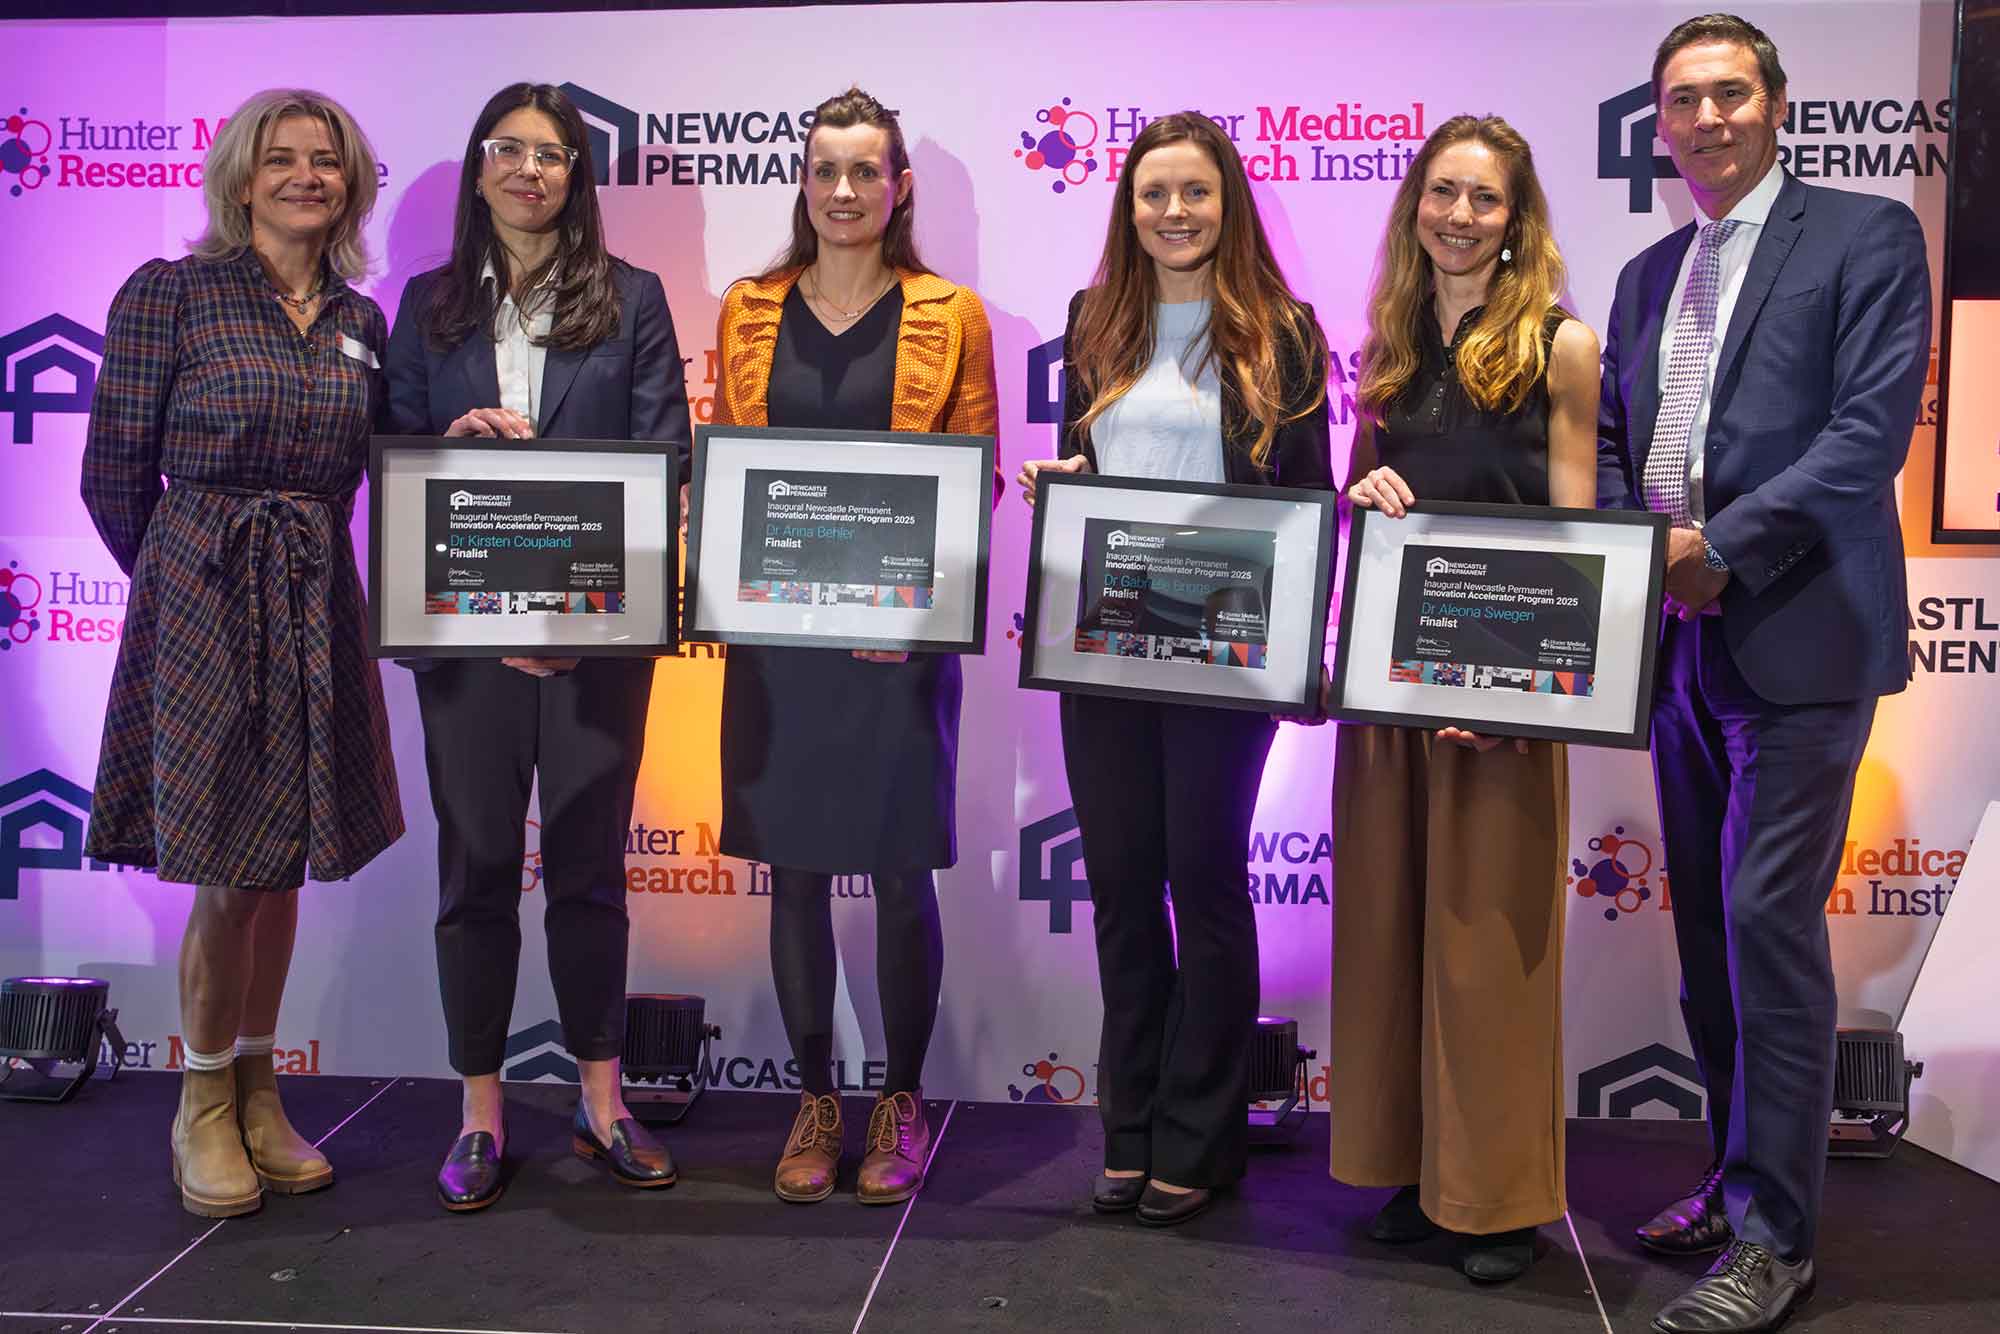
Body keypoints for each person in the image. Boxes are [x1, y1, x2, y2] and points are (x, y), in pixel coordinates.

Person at [1597, 16, 1931, 1332]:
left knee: (1766, 926)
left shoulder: (1866, 235)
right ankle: (1736, 1177)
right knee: (1704, 937)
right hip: (1674, 649)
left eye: (1733, 92)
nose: (1711, 117)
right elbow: (1623, 444)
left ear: (1778, 104)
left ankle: (1778, 1238)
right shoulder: (1641, 276)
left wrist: (1718, 551)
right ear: (1661, 126)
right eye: (1686, 100)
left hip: (1798, 637)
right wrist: (1646, 552)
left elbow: (1868, 435)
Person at [80, 89, 404, 1218]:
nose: (306, 177)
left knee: (281, 862)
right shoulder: (172, 294)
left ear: (350, 182)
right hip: (209, 598)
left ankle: (263, 1091)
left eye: (326, 161)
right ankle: (201, 1101)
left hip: (318, 596)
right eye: (283, 159)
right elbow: (112, 477)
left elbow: (385, 459)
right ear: (242, 176)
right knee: (228, 867)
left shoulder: (364, 318)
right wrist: (185, 580)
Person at [1014, 112, 1332, 1227]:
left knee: (1202, 887)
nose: (1174, 213)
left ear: (1227, 201)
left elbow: (1305, 499)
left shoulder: (1281, 331)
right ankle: (1130, 1125)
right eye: (1154, 194)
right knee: (1117, 893)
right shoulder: (1093, 321)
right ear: (1129, 208)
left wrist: (1300, 656)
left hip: (1222, 656)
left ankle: (1200, 1136)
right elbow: (1090, 471)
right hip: (1102, 644)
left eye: (1193, 192)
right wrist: (1063, 482)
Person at [383, 82, 692, 1212]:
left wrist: (578, 625)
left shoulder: (634, 298)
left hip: (595, 649)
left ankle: (603, 1101)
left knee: (589, 873)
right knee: (472, 874)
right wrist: (443, 438)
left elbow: (667, 458)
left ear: (575, 174)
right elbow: (394, 459)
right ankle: (479, 1110)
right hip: (464, 649)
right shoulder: (422, 307)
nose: (528, 169)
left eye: (551, 153)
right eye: (507, 150)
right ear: (477, 169)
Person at [1327, 115, 1599, 1283]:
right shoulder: (1384, 341)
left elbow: (1577, 539)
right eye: (1441, 194)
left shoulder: (1560, 344)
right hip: (1388, 693)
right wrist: (1360, 486)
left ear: (1516, 216)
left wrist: (1520, 698)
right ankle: (1412, 1168)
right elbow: (1363, 500)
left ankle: (1491, 1200)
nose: (1458, 216)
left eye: (1483, 200)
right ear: (1413, 207)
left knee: (1488, 953)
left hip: (1505, 700)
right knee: (1388, 932)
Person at [712, 87, 997, 1206]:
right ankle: (813, 1098)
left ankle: (900, 1097)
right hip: (779, 645)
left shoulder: (951, 312)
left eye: (863, 172)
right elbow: (728, 468)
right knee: (790, 871)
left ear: (898, 185)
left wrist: (912, 621)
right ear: (802, 180)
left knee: (894, 871)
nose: (842, 192)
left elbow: (966, 484)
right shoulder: (747, 308)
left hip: (896, 646)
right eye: (824, 171)